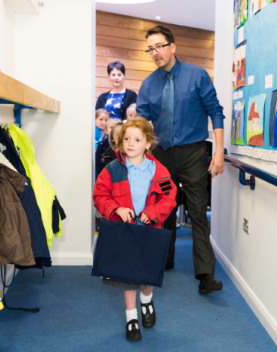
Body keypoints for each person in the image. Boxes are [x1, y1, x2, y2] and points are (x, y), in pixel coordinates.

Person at [136, 26, 226, 294]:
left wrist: (219, 151)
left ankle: (205, 275)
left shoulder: (196, 75)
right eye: (150, 48)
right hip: (161, 155)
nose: (155, 53)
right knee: (163, 210)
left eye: (159, 46)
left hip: (194, 153)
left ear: (172, 47)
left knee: (198, 211)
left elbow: (216, 111)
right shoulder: (148, 84)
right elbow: (141, 122)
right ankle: (165, 260)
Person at [93, 117, 177, 342]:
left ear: (148, 144)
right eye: (126, 139)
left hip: (150, 229)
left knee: (148, 275)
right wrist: (115, 208)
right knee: (128, 277)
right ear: (120, 143)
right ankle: (131, 318)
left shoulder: (159, 170)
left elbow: (169, 198)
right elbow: (100, 195)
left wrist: (153, 211)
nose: (131, 143)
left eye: (137, 139)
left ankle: (147, 300)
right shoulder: (111, 170)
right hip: (125, 231)